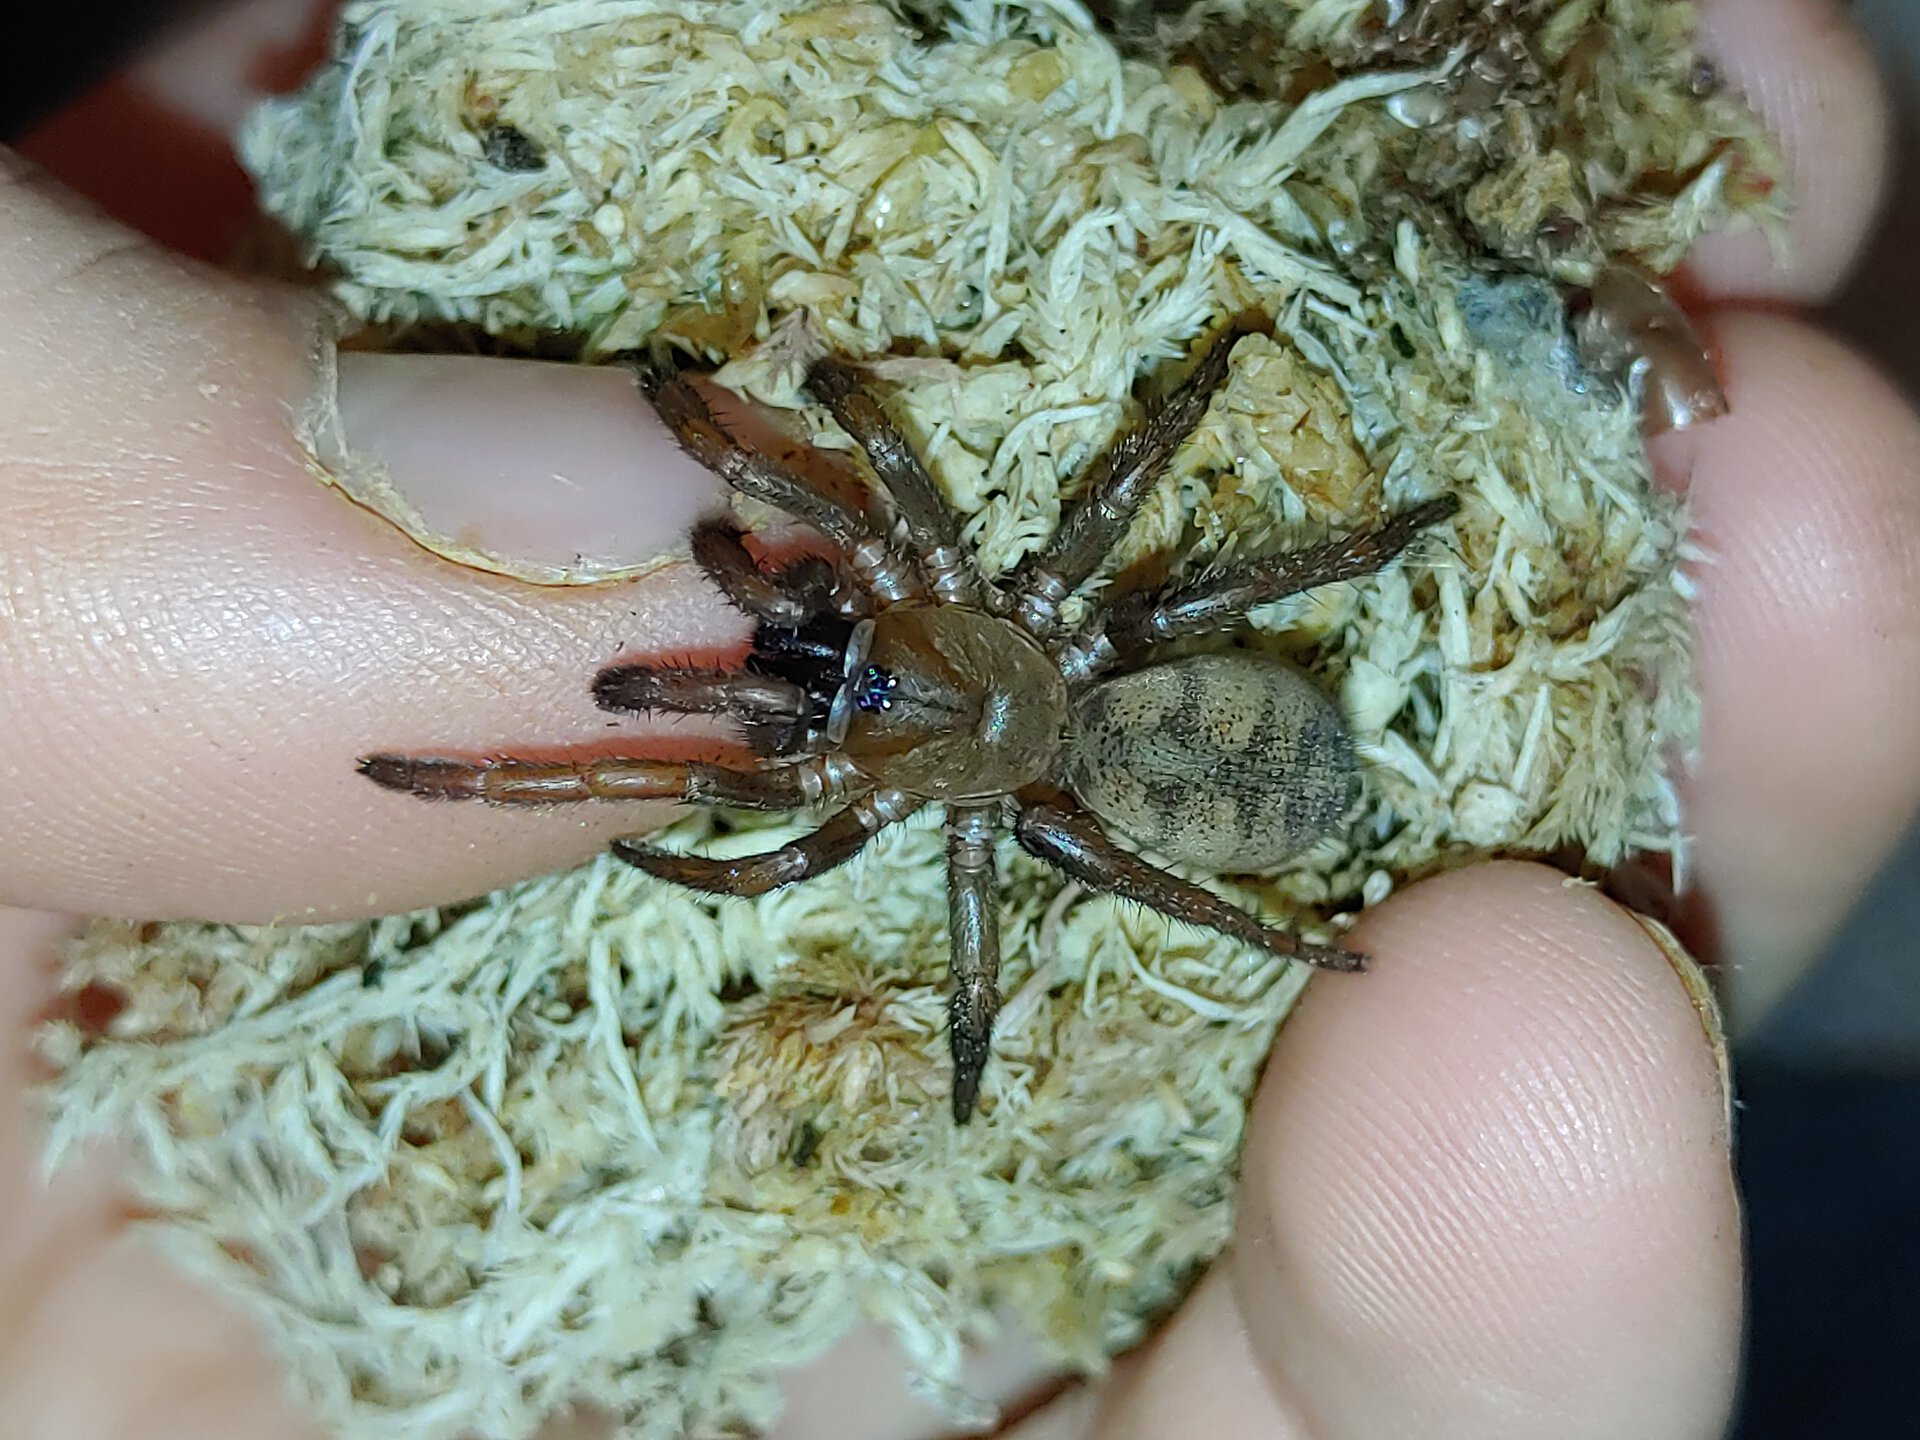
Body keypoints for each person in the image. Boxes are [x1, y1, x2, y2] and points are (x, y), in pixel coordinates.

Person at [0, 0, 1910, 1435]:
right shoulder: (985, 644)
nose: (819, 647)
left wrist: (1271, 920)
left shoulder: (924, 746)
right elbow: (883, 520)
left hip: (1156, 750)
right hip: (1116, 716)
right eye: (832, 643)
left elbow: (819, 734)